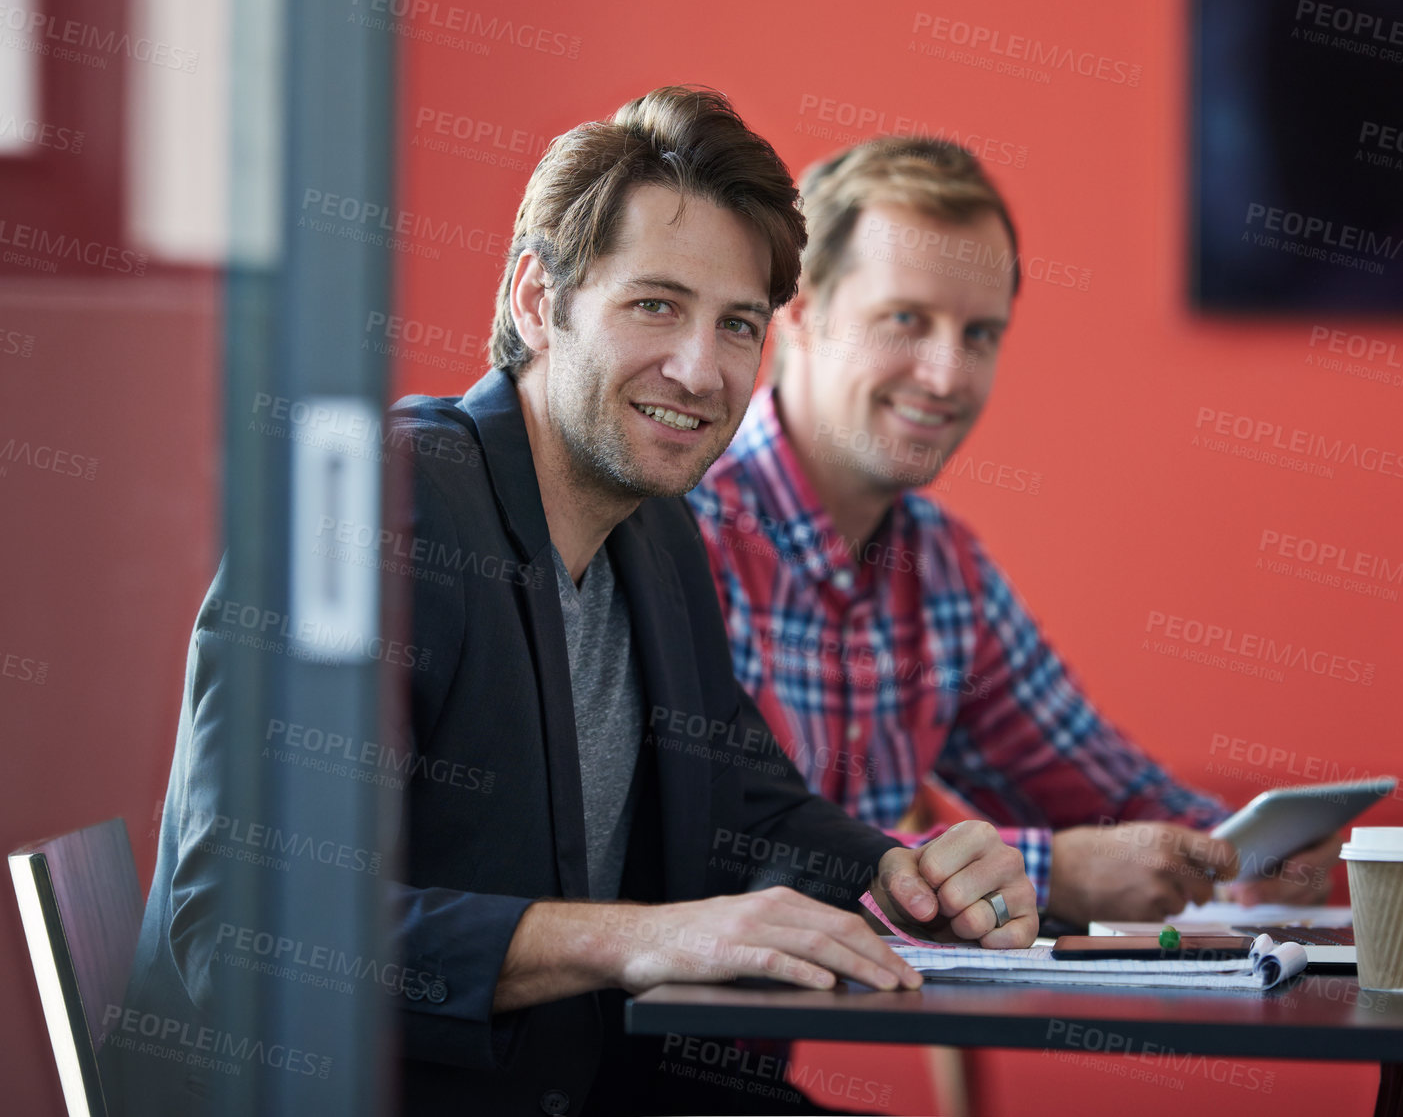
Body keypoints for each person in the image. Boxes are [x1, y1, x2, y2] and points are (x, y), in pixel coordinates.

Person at [117, 93, 1037, 1117]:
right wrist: (637, 938)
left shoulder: (657, 533)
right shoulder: (383, 513)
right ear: (534, 299)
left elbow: (747, 808)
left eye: (737, 324)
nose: (700, 369)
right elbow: (243, 926)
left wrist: (910, 878)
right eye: (655, 304)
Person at [688, 137, 1339, 929]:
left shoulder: (941, 568)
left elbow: (1098, 787)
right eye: (905, 319)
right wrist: (1048, 875)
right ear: (796, 311)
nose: (947, 374)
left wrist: (1248, 854)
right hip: (621, 1037)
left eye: (979, 335)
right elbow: (712, 857)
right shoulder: (684, 532)